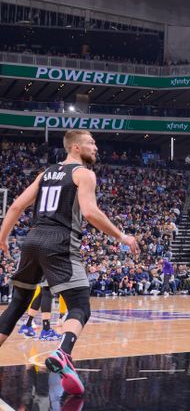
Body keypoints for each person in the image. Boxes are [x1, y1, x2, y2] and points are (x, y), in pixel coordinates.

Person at [0, 130, 140, 396]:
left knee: (18, 303)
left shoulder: (45, 174)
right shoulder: (84, 174)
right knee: (79, 305)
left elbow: (16, 206)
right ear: (75, 148)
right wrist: (122, 236)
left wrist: (3, 237)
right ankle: (63, 353)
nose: (96, 147)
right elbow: (89, 212)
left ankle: (62, 354)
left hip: (32, 240)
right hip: (60, 242)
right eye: (91, 143)